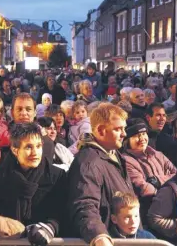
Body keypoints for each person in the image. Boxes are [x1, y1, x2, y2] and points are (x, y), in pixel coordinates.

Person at [66, 103, 135, 246]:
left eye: (124, 128)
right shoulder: (88, 163)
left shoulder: (114, 153)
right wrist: (99, 236)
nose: (124, 134)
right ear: (100, 130)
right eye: (118, 129)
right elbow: (85, 205)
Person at [0, 123, 67, 246]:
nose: (35, 153)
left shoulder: (56, 175)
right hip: (9, 242)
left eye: (38, 146)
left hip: (43, 242)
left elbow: (62, 211)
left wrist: (50, 226)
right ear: (15, 150)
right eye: (28, 147)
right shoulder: (2, 174)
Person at [122, 119, 177, 222]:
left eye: (143, 134)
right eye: (136, 136)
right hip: (148, 212)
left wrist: (158, 180)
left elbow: (176, 175)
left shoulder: (157, 154)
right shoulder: (127, 161)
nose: (142, 138)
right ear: (127, 140)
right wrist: (167, 193)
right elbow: (144, 188)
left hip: (171, 205)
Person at [11, 93, 55, 162]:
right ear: (12, 113)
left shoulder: (46, 141)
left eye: (28, 109)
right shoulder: (1, 137)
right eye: (19, 109)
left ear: (35, 113)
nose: (24, 113)